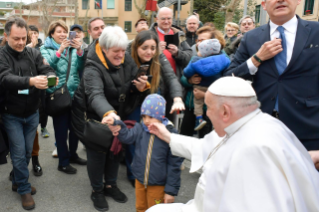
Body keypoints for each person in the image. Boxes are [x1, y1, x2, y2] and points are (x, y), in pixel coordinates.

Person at [146, 76, 319, 212]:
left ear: (225, 112)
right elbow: (206, 147)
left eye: (209, 108)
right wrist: (169, 136)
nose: (208, 115)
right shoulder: (248, 123)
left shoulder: (255, 148)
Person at [72, 26, 149, 211]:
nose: (121, 55)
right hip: (95, 117)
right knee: (97, 155)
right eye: (116, 52)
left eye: (123, 51)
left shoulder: (124, 56)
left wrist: (139, 87)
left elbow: (130, 81)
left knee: (115, 151)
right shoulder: (92, 66)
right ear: (104, 49)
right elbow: (95, 95)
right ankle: (97, 190)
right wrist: (109, 113)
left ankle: (110, 185)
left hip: (116, 114)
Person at [224, 0, 319, 151]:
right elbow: (229, 78)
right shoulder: (251, 38)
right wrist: (256, 59)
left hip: (309, 131)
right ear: (264, 4)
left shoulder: (316, 31)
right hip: (262, 130)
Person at [0, 17, 57, 210]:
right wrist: (31, 81)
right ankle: (23, 189)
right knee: (17, 152)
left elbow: (46, 68)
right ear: (6, 35)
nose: (21, 42)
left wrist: (50, 78)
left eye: (24, 38)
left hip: (32, 112)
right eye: (16, 38)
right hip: (11, 114)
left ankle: (17, 179)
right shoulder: (1, 56)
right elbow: (5, 78)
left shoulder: (33, 52)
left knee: (26, 151)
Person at [105, 94, 184, 212]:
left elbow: (174, 165)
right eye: (144, 116)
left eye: (151, 117)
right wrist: (120, 127)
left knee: (155, 210)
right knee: (140, 208)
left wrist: (170, 191)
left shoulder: (170, 134)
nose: (146, 121)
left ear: (161, 115)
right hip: (140, 180)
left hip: (158, 184)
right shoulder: (140, 127)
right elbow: (127, 137)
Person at [126, 30, 185, 186]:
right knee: (134, 134)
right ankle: (133, 173)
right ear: (136, 47)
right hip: (132, 100)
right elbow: (123, 86)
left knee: (153, 133)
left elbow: (172, 78)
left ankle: (150, 167)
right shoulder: (127, 56)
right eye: (145, 48)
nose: (149, 52)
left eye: (153, 48)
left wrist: (177, 98)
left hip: (152, 98)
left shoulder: (159, 57)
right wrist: (135, 88)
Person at [40, 20, 87, 174]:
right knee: (61, 130)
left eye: (64, 31)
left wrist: (79, 51)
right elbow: (47, 67)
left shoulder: (72, 48)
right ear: (52, 33)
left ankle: (73, 155)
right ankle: (63, 161)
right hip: (58, 94)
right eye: (58, 31)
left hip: (74, 93)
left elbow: (80, 68)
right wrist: (60, 50)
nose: (62, 34)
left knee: (75, 129)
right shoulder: (45, 49)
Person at [180, 26, 226, 138]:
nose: (199, 43)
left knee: (206, 139)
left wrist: (205, 94)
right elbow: (183, 78)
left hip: (210, 108)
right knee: (185, 136)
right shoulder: (196, 57)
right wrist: (190, 80)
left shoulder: (222, 60)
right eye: (198, 40)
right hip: (191, 105)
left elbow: (224, 86)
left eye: (203, 40)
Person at [150, 7, 192, 120]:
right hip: (156, 82)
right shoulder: (150, 35)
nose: (166, 21)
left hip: (175, 81)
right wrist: (155, 50)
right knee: (154, 117)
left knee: (170, 118)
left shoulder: (179, 34)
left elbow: (189, 56)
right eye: (163, 18)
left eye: (169, 18)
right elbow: (141, 56)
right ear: (157, 19)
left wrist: (177, 53)